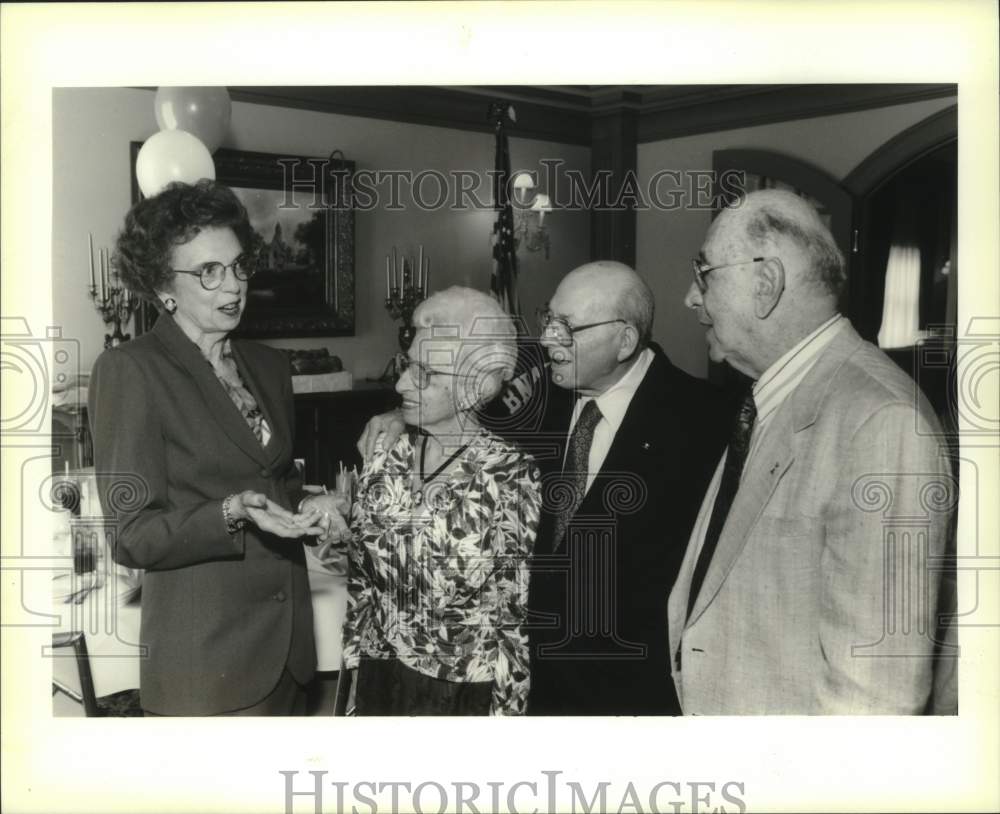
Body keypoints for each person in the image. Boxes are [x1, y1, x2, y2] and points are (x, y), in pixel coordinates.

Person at [359, 266, 729, 715]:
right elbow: (457, 409)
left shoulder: (706, 424)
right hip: (531, 688)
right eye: (547, 319)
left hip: (627, 699)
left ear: (625, 340)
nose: (549, 339)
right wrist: (399, 417)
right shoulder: (542, 389)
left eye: (567, 328)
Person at [668, 188, 956, 714]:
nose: (690, 297)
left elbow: (874, 700)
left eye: (703, 273)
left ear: (765, 283)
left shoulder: (881, 422)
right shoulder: (771, 398)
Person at [88, 180, 340, 716]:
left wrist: (313, 507)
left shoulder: (270, 368)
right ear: (163, 286)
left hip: (291, 652)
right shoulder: (131, 371)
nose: (233, 285)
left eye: (238, 265)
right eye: (208, 271)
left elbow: (278, 486)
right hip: (207, 665)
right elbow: (132, 535)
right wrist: (229, 512)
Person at [326, 287, 541, 715]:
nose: (402, 383)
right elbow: (361, 584)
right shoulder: (384, 452)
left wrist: (508, 722)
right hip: (379, 676)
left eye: (426, 374)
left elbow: (513, 621)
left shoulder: (511, 475)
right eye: (408, 366)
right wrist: (351, 676)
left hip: (460, 695)